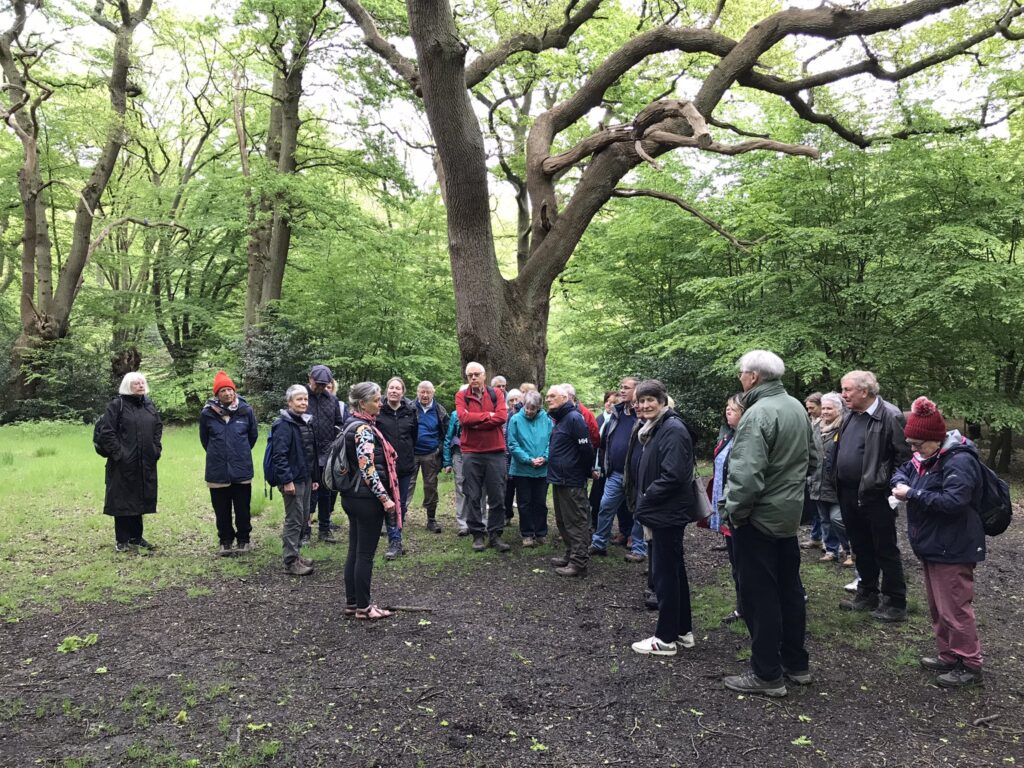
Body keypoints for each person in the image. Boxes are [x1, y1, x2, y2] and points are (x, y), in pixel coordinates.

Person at [721, 350, 817, 697]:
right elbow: (814, 458)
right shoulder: (795, 407)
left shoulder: (757, 413)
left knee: (760, 595)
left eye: (741, 374)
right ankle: (796, 664)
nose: (740, 379)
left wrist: (734, 512)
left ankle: (766, 674)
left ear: (753, 377)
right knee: (789, 590)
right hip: (788, 516)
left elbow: (745, 475)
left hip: (758, 518)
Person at [891, 397, 986, 687]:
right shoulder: (925, 458)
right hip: (932, 543)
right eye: (910, 444)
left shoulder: (958, 460)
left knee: (955, 607)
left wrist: (911, 495)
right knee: (937, 606)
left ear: (935, 440)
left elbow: (955, 501)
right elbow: (903, 471)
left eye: (918, 444)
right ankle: (947, 654)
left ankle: (969, 663)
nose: (913, 450)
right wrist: (900, 483)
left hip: (953, 546)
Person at [627, 379, 698, 656]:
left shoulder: (672, 428)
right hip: (661, 510)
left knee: (665, 574)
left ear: (663, 400)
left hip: (666, 512)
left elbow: (674, 475)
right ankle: (682, 631)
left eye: (650, 400)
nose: (645, 405)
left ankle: (665, 638)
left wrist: (646, 499)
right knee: (673, 572)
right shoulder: (656, 427)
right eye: (641, 401)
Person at [835, 370, 911, 622]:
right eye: (843, 389)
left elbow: (903, 459)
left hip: (876, 495)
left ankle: (895, 602)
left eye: (847, 390)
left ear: (865, 391)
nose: (843, 394)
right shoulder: (850, 415)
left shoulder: (890, 416)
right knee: (860, 545)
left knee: (884, 547)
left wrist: (891, 490)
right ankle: (867, 592)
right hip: (848, 492)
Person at [340, 382, 402, 621]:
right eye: (376, 400)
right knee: (364, 555)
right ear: (362, 403)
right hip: (366, 500)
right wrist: (385, 498)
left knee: (355, 552)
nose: (381, 403)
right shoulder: (363, 430)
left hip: (351, 496)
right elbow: (368, 469)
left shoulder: (349, 424)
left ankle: (352, 603)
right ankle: (364, 608)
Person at [96, 372, 163, 553]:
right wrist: (119, 454)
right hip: (123, 462)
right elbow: (107, 432)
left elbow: (157, 427)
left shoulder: (149, 405)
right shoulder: (117, 405)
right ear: (127, 386)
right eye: (136, 383)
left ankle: (136, 537)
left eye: (142, 382)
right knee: (122, 500)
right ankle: (122, 539)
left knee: (140, 497)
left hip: (145, 461)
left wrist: (156, 449)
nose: (140, 385)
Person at [199, 371, 258, 556]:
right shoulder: (207, 413)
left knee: (242, 508)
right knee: (221, 510)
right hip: (217, 470)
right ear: (217, 394)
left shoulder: (245, 410)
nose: (227, 393)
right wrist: (220, 454)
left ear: (235, 392)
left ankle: (244, 540)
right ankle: (225, 541)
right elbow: (205, 440)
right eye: (223, 390)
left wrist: (238, 453)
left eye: (230, 390)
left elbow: (252, 437)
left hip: (241, 468)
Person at [457, 362, 510, 552]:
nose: (473, 378)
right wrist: (488, 416)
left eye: (476, 374)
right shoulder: (462, 395)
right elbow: (463, 419)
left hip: (495, 451)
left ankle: (495, 535)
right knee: (472, 495)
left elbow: (502, 417)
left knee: (497, 495)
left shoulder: (497, 394)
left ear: (484, 375)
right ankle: (477, 535)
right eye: (470, 375)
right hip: (471, 452)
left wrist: (476, 420)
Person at [268, 385, 319, 576]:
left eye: (305, 399)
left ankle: (296, 554)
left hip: (305, 478)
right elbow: (279, 456)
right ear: (289, 402)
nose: (304, 402)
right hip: (292, 480)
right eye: (299, 399)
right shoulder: (283, 424)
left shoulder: (305, 422)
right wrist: (287, 481)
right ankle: (290, 560)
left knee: (304, 517)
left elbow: (310, 452)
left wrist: (314, 478)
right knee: (294, 519)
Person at [546, 384, 595, 576]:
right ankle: (570, 554)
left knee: (576, 521)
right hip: (559, 479)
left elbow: (587, 450)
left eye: (552, 396)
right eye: (547, 396)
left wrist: (581, 472)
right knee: (563, 521)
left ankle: (579, 562)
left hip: (572, 480)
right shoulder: (560, 419)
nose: (548, 399)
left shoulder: (574, 418)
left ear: (565, 398)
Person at [590, 377, 639, 556]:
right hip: (615, 472)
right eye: (621, 388)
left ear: (637, 390)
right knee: (606, 506)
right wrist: (603, 465)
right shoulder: (617, 414)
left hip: (637, 474)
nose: (622, 391)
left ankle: (638, 547)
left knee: (638, 510)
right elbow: (605, 442)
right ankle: (599, 543)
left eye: (626, 388)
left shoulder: (642, 414)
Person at [708, 394, 744, 624]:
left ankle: (748, 607)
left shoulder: (746, 438)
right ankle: (743, 606)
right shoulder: (729, 435)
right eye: (727, 408)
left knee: (743, 562)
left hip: (739, 508)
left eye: (733, 409)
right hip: (727, 508)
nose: (727, 412)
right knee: (735, 561)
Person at [376, 376, 418, 560]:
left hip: (405, 466)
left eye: (397, 388)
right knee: (385, 504)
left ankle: (396, 541)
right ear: (386, 391)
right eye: (391, 388)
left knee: (399, 505)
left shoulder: (410, 412)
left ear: (403, 392)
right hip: (383, 468)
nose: (394, 391)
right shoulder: (378, 412)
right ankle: (384, 537)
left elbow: (414, 437)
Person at [506, 390, 552, 546]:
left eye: (533, 408)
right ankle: (527, 534)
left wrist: (545, 457)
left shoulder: (547, 419)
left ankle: (540, 533)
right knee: (524, 502)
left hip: (542, 469)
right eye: (527, 407)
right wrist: (528, 460)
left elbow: (552, 442)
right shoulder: (515, 420)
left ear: (539, 407)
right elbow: (512, 444)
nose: (529, 411)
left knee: (540, 502)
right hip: (522, 469)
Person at [305, 364, 345, 544]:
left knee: (325, 492)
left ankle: (324, 529)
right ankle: (304, 531)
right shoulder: (302, 397)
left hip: (327, 454)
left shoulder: (332, 400)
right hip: (306, 455)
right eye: (317, 383)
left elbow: (339, 423)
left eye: (324, 384)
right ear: (310, 379)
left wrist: (335, 446)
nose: (320, 387)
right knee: (307, 493)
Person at [809, 392, 851, 564]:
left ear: (838, 409)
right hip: (817, 480)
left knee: (838, 518)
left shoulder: (844, 427)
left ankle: (849, 550)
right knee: (824, 519)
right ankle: (831, 550)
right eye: (824, 408)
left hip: (836, 483)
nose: (825, 411)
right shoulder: (816, 427)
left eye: (829, 408)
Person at [409, 381, 448, 534]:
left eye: (428, 392)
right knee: (406, 485)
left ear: (433, 393)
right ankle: (399, 518)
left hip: (431, 454)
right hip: (411, 454)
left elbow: (445, 433)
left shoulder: (439, 410)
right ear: (417, 392)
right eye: (422, 392)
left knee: (431, 486)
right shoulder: (409, 408)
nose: (425, 395)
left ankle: (431, 520)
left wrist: (439, 449)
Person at [801, 391, 825, 549]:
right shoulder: (811, 421)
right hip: (812, 472)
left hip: (823, 471)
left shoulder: (827, 423)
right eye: (807, 408)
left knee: (824, 507)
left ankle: (828, 541)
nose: (809, 411)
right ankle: (816, 537)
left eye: (812, 407)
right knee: (815, 506)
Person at [442, 400, 469, 535]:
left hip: (477, 453)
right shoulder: (455, 414)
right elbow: (448, 437)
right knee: (461, 486)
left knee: (479, 487)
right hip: (459, 454)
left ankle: (480, 521)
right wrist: (447, 462)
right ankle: (463, 523)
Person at [503, 388, 524, 524]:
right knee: (507, 490)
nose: (514, 403)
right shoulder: (504, 416)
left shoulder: (526, 415)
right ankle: (507, 515)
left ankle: (525, 519)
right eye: (511, 400)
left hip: (522, 458)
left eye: (517, 400)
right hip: (506, 458)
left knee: (522, 492)